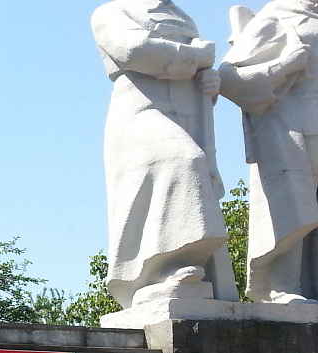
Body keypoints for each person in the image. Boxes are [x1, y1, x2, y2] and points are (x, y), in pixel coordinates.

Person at [91, 0, 237, 308]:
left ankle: (181, 272)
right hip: (141, 112)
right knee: (184, 162)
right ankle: (162, 270)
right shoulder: (112, 12)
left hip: (188, 115)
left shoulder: (181, 16)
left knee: (194, 175)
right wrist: (196, 57)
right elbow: (135, 51)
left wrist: (208, 83)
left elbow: (194, 73)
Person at [220, 1, 318, 303]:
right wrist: (284, 66)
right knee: (292, 209)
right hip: (291, 128)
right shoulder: (276, 18)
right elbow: (229, 78)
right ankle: (283, 287)